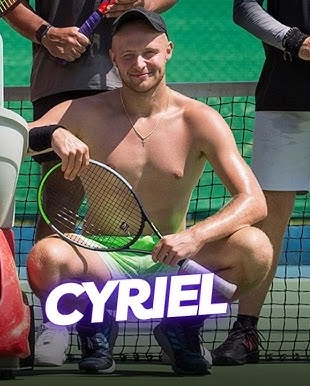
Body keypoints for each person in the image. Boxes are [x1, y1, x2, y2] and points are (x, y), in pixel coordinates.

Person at [25, 8, 273, 375]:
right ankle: (94, 322)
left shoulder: (199, 119)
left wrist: (193, 237)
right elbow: (13, 138)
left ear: (168, 50)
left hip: (173, 260)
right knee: (46, 257)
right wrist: (53, 133)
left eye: (149, 52)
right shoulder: (82, 111)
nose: (139, 63)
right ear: (113, 59)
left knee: (256, 249)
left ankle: (181, 323)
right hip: (102, 259)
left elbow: (254, 200)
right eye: (127, 55)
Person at [3, 0, 179, 366]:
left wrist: (143, 4)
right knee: (59, 203)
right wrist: (45, 32)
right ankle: (58, 318)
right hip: (59, 79)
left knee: (138, 190)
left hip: (126, 79)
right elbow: (4, 3)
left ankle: (172, 320)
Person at [212, 0, 310, 366]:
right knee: (269, 221)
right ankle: (246, 331)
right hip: (285, 99)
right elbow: (244, 7)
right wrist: (293, 40)